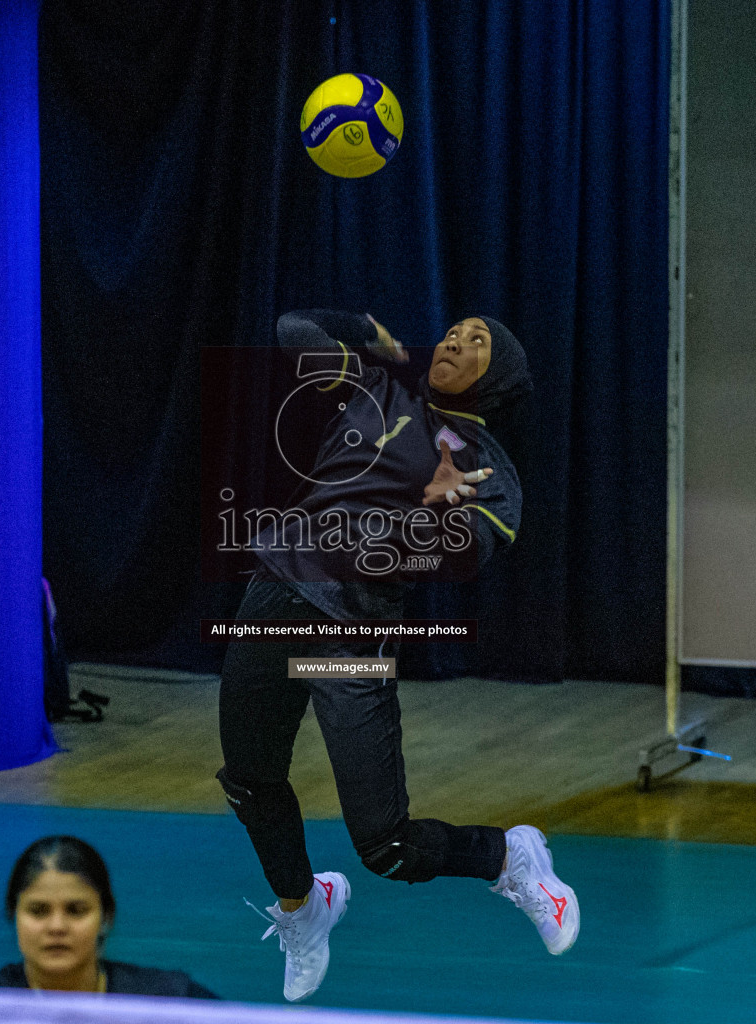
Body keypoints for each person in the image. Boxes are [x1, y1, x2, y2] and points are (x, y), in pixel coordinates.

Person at [218, 310, 579, 1003]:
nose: (455, 341)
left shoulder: (489, 470)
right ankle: (305, 907)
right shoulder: (375, 391)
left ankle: (511, 858)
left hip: (348, 637)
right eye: (454, 330)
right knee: (249, 778)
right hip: (274, 596)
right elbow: (292, 329)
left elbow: (466, 553)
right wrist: (363, 330)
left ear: (496, 377)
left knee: (386, 848)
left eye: (478, 342)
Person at [0, 835, 217, 998]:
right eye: (38, 911)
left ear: (106, 917)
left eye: (76, 910)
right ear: (13, 914)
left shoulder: (170, 1001)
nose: (57, 927)